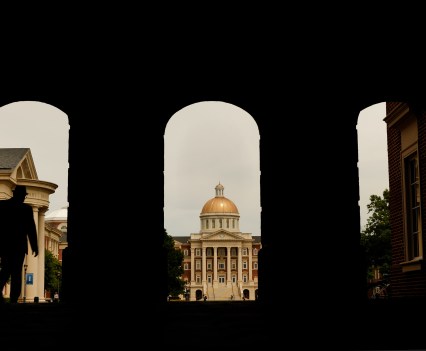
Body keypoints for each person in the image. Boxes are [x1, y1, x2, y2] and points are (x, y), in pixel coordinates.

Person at [0, 185, 38, 303]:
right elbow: (31, 229)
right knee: (17, 272)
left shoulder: (2, 206)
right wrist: (34, 246)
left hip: (5, 245)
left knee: (5, 269)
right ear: (21, 196)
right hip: (19, 246)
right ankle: (14, 299)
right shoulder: (26, 209)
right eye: (23, 196)